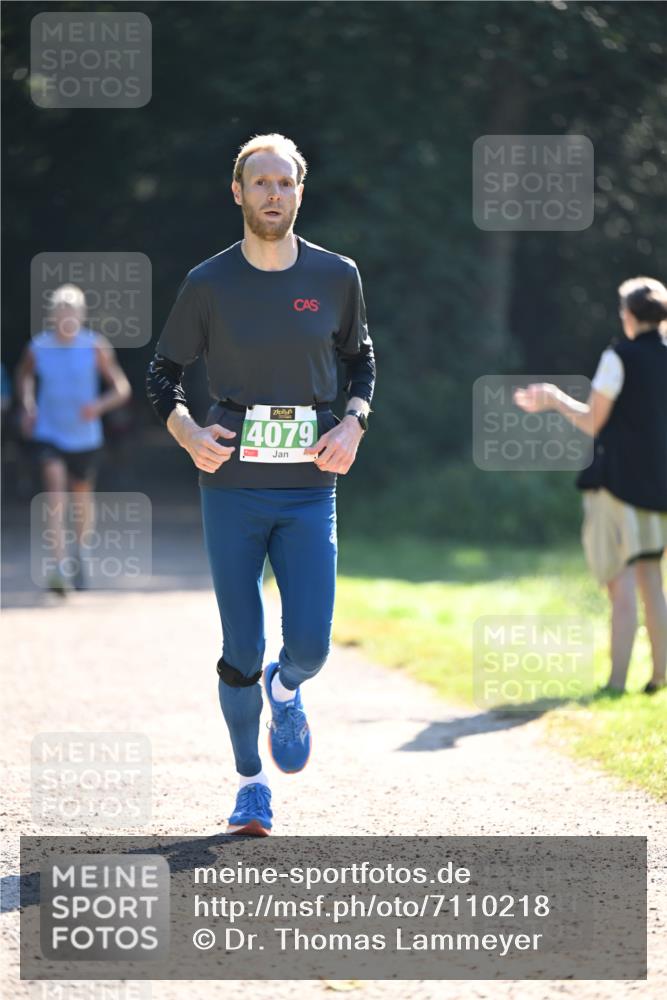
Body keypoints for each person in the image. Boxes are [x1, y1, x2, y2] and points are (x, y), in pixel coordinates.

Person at [146, 134, 375, 836]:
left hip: (310, 485)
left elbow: (361, 362)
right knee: (240, 648)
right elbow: (162, 373)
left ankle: (287, 687)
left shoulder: (336, 275)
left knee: (310, 647)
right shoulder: (208, 283)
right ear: (238, 192)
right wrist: (187, 432)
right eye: (260, 182)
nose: (273, 194)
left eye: (285, 182)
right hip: (232, 486)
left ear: (300, 191)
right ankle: (251, 785)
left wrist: (353, 423)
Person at [514, 276, 667, 694]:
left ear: (630, 314)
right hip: (658, 485)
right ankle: (659, 676)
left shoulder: (619, 356)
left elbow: (593, 421)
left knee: (621, 580)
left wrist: (553, 398)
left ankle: (616, 683)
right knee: (653, 580)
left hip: (616, 484)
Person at [15, 283, 132, 593]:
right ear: (52, 316)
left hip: (84, 437)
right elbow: (24, 377)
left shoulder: (95, 346)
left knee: (81, 496)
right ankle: (59, 565)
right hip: (48, 432)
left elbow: (121, 388)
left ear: (81, 316)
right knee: (55, 490)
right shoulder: (38, 347)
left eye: (72, 314)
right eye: (60, 314)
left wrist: (98, 406)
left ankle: (81, 552)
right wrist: (28, 404)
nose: (66, 320)